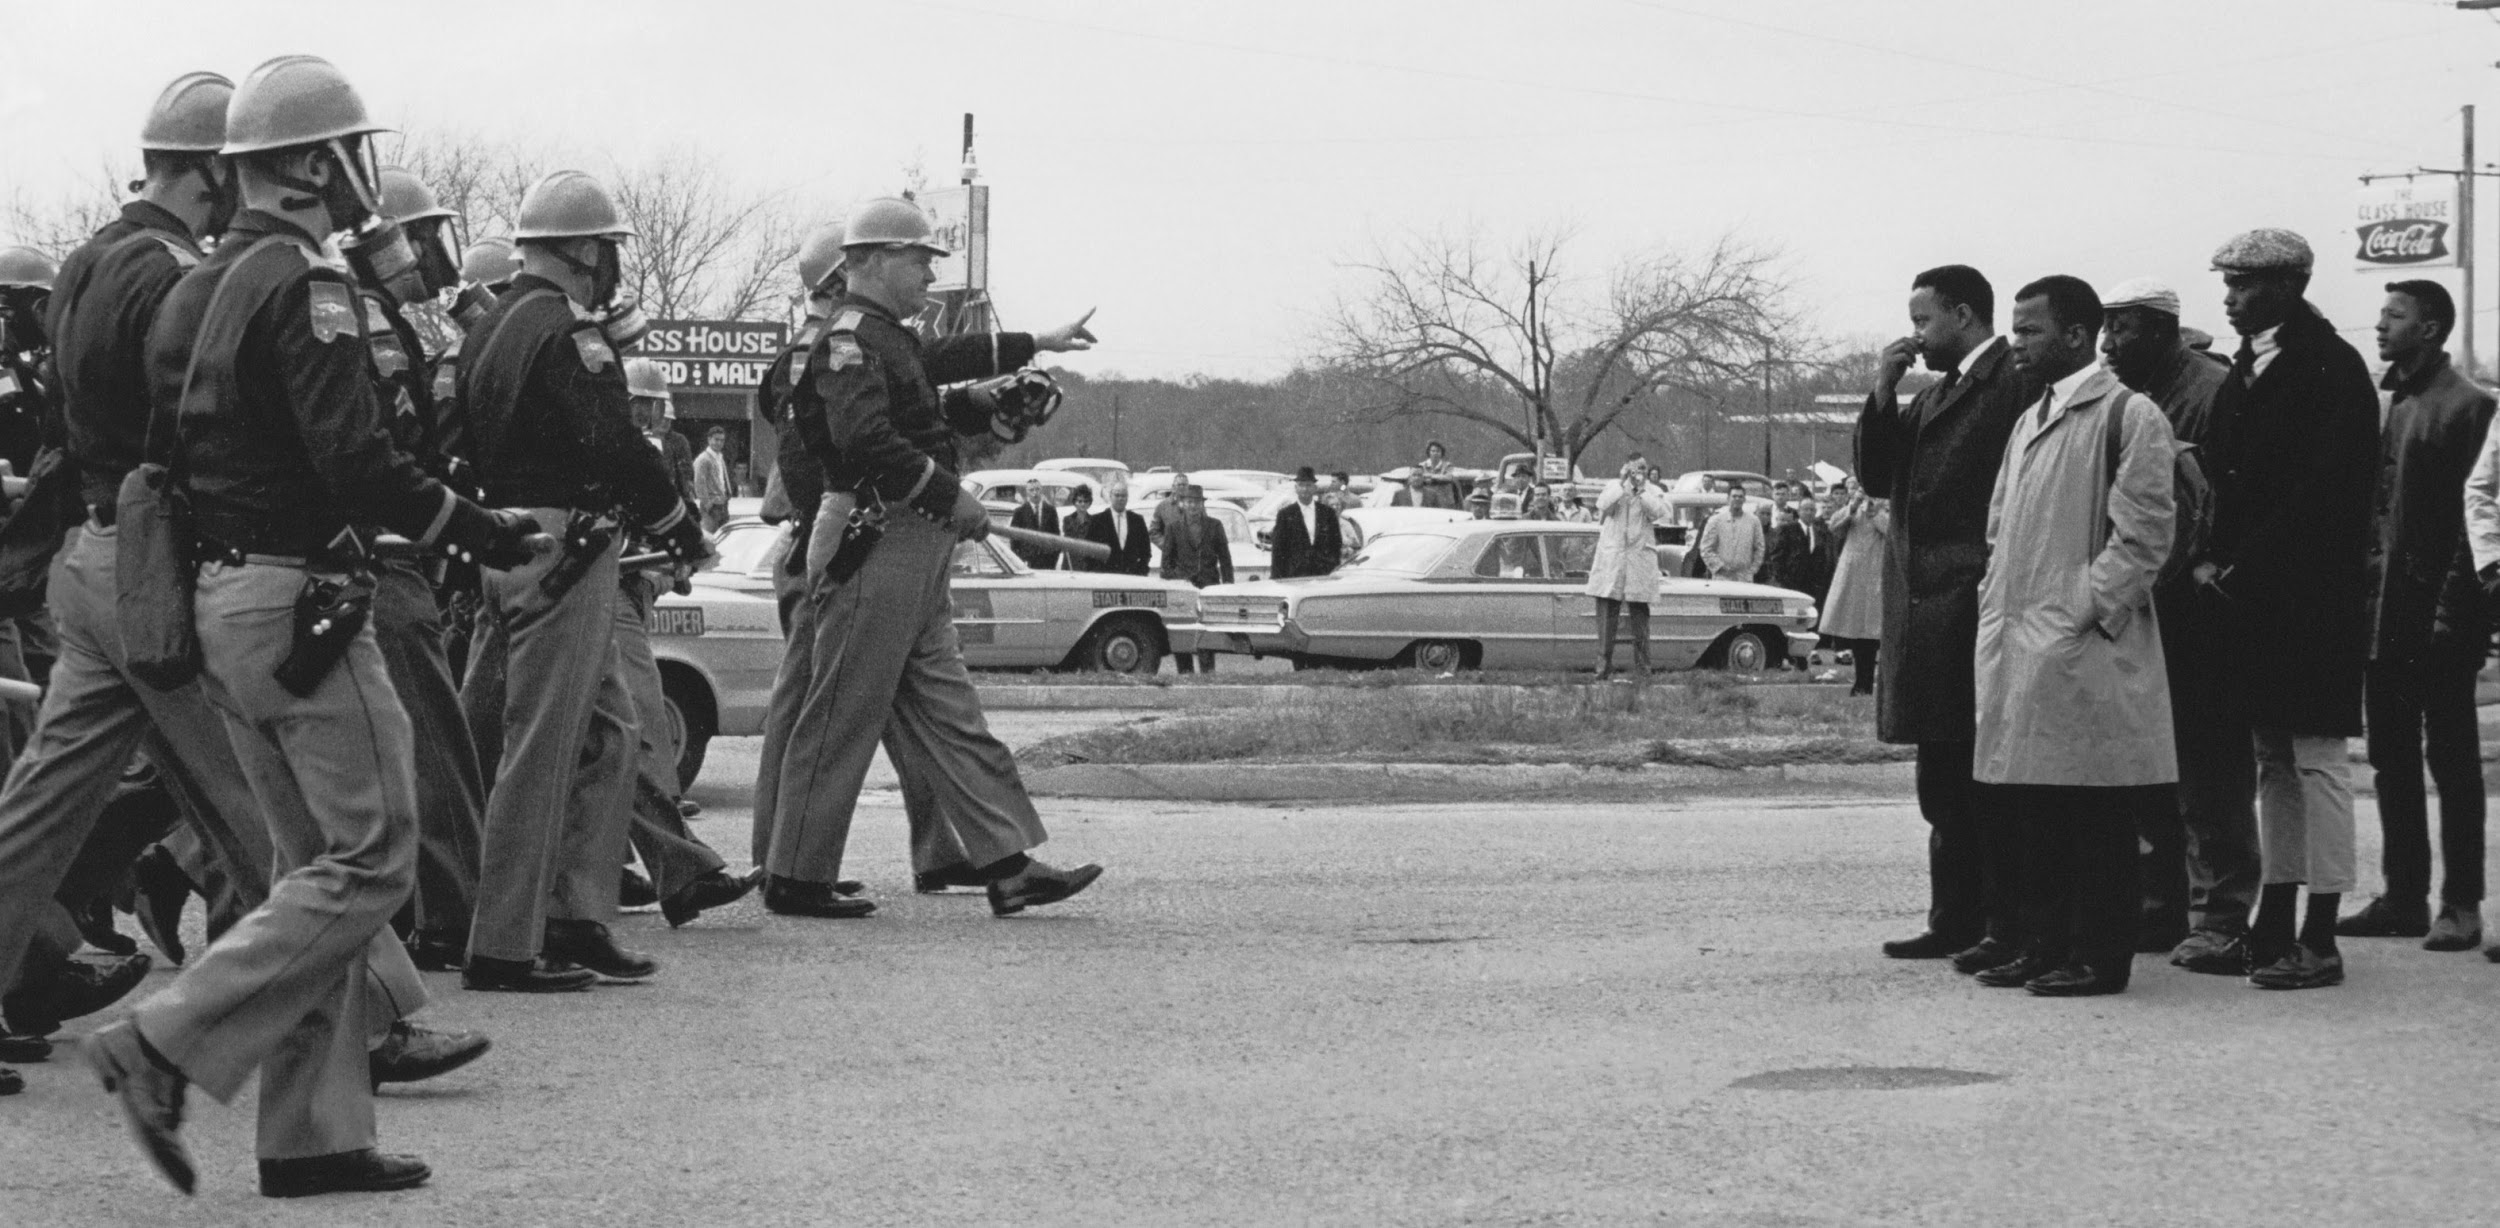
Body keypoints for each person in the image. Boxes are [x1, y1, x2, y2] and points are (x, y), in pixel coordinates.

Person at [95, 54, 551, 1197]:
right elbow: (359, 463)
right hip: (303, 600)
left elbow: (161, 454)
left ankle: (311, 1135)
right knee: (369, 861)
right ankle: (161, 1042)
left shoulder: (195, 284)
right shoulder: (311, 286)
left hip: (220, 599)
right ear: (311, 164)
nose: (368, 175)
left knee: (307, 870)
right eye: (357, 153)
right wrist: (483, 531)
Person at [751, 196, 1103, 919]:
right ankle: (793, 874)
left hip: (914, 545)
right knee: (841, 712)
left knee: (950, 713)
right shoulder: (848, 338)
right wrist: (950, 495)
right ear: (869, 261)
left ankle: (1005, 863)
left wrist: (1036, 343)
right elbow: (864, 442)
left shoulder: (885, 336)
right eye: (917, 260)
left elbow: (939, 362)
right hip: (878, 541)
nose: (927, 275)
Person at [457, 168, 708, 993]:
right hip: (564, 549)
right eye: (606, 249)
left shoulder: (490, 328)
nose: (612, 266)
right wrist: (677, 522)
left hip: (506, 541)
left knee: (606, 736)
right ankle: (504, 943)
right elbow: (614, 444)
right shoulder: (571, 333)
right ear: (582, 250)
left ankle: (575, 914)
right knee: (541, 748)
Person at [1968, 275, 2177, 998]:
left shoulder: (2128, 413)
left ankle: (2100, 956)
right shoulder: (2032, 417)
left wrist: (2081, 610)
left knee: (2095, 810)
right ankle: (2043, 943)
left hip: (2078, 644)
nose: (2017, 343)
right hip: (2020, 640)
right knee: (2036, 809)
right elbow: (2001, 524)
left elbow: (2145, 534)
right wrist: (1999, 596)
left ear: (2077, 336)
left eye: (2030, 331)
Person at [2195, 228, 2378, 990]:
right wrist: (2213, 555)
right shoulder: (2249, 368)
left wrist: (2240, 564)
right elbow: (2226, 478)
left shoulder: (2332, 368)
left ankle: (2322, 934)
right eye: (2228, 283)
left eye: (2242, 284)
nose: (2229, 297)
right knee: (2273, 759)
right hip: (2256, 599)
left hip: (2311, 601)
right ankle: (2275, 919)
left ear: (2289, 285)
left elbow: (2326, 494)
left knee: (2318, 761)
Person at [1857, 263, 2037, 965]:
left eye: (1923, 320)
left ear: (1962, 316)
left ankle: (2000, 921)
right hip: (1929, 608)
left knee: (1982, 778)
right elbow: (1879, 475)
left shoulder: (2012, 384)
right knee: (1943, 779)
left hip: (1973, 603)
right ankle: (1954, 916)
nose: (1915, 335)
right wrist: (1881, 393)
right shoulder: (1940, 393)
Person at [2098, 276, 2258, 972]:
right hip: (2147, 607)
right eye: (2104, 327)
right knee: (2153, 767)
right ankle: (2163, 906)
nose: (2108, 342)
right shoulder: (2131, 398)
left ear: (2162, 329)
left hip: (2201, 611)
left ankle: (2220, 915)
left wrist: (2215, 567)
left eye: (2123, 327)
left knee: (2211, 769)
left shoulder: (2211, 391)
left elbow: (2235, 496)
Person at [2340, 280, 2491, 953]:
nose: (2380, 325)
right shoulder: (2386, 398)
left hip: (2441, 615)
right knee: (2390, 759)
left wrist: (2456, 617)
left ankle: (2460, 902)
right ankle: (2402, 896)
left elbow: (2476, 524)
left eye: (2394, 316)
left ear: (2429, 328)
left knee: (2453, 761)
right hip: (2383, 611)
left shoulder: (2469, 405)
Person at [1586, 456, 1667, 680]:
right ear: (1625, 468)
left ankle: (1643, 668)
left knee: (1640, 617)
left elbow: (1658, 512)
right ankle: (1603, 668)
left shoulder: (1653, 491)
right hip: (1613, 559)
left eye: (1642, 467)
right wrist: (1623, 485)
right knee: (1606, 615)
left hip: (1639, 559)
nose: (1638, 472)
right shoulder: (1614, 487)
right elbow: (1603, 506)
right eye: (1634, 468)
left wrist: (1641, 490)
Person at [1818, 481, 1887, 696]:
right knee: (1856, 630)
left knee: (1872, 632)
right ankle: (1860, 681)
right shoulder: (1853, 507)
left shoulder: (1885, 505)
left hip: (1875, 572)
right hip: (1853, 574)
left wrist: (1875, 513)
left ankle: (1868, 682)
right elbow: (1833, 526)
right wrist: (1853, 507)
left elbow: (1891, 530)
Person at [1161, 483, 1234, 673]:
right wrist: (1178, 580)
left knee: (1206, 635)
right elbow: (1165, 565)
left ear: (1202, 505)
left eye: (1197, 502)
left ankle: (1207, 676)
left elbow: (1225, 559)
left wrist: (1228, 587)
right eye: (1189, 502)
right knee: (1183, 635)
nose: (1193, 506)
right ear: (1182, 504)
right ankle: (1186, 675)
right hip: (1183, 591)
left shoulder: (1215, 525)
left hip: (1208, 588)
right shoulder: (1173, 528)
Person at [1270, 465, 1344, 579]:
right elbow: (1278, 550)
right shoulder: (1285, 515)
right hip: (1294, 576)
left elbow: (1336, 544)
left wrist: (1332, 568)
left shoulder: (1327, 513)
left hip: (1323, 575)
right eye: (1301, 485)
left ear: (1315, 488)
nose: (1305, 489)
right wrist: (1277, 577)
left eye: (1309, 485)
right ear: (1296, 488)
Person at [1696, 486, 1764, 582]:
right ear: (1728, 499)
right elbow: (1705, 548)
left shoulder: (1753, 521)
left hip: (1744, 577)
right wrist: (1720, 567)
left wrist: (1753, 569)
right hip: (1722, 577)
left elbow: (1759, 548)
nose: (1737, 499)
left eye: (1740, 497)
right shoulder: (1716, 520)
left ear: (1744, 499)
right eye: (1734, 496)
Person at [1086, 479, 1151, 575]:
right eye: (1117, 495)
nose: (1120, 498)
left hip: (1132, 577)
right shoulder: (1097, 520)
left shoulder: (1137, 520)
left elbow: (1146, 551)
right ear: (1110, 496)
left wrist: (1141, 571)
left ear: (1127, 497)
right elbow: (1089, 551)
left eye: (1123, 496)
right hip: (1105, 578)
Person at [1008, 478, 1062, 569]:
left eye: (1037, 489)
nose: (1035, 493)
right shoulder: (1019, 512)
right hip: (1027, 563)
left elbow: (1056, 536)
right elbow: (1014, 540)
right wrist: (1020, 560)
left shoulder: (1051, 510)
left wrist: (1053, 559)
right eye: (1031, 490)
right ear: (1027, 492)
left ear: (1041, 490)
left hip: (1047, 563)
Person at [694, 425, 732, 532]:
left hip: (723, 504)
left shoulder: (720, 457)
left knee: (724, 538)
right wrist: (708, 504)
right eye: (716, 440)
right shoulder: (703, 459)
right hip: (712, 506)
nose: (719, 443)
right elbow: (699, 483)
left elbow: (723, 478)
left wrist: (728, 495)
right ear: (709, 439)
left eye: (722, 440)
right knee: (711, 537)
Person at [1411, 440, 1461, 509]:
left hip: (1444, 500)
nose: (1435, 453)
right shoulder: (1422, 465)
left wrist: (1430, 476)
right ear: (1429, 452)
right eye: (1433, 451)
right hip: (1428, 499)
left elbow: (1449, 477)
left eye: (1438, 451)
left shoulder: (1447, 465)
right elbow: (1420, 477)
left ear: (1441, 453)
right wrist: (1438, 477)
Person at [1057, 486, 1095, 568]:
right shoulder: (1067, 520)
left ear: (1089, 503)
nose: (1083, 504)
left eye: (1085, 501)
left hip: (1087, 564)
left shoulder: (1094, 521)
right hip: (1071, 563)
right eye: (1080, 501)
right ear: (1074, 502)